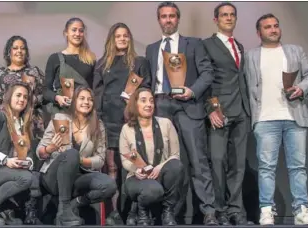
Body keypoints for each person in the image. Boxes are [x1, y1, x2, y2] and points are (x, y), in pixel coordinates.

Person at [145, 2, 217, 224]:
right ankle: (167, 213)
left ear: (178, 19)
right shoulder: (151, 49)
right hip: (160, 106)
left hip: (188, 106)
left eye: (172, 16)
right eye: (164, 16)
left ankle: (208, 212)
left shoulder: (194, 44)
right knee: (163, 163)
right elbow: (148, 79)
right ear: (159, 20)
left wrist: (192, 91)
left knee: (198, 161)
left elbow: (207, 73)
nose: (168, 20)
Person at [245, 13, 308, 226]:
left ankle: (301, 210)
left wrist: (301, 89)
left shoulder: (295, 51)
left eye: (276, 26)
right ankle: (267, 210)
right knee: (267, 167)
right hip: (265, 119)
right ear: (259, 32)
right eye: (267, 27)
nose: (273, 29)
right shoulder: (251, 55)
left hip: (294, 117)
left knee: (298, 167)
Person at [93, 22, 152, 225]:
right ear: (112, 38)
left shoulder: (139, 62)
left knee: (134, 168)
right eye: (118, 35)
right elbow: (97, 94)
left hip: (132, 122)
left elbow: (146, 90)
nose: (122, 39)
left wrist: (135, 101)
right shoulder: (101, 64)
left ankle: (134, 212)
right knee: (112, 169)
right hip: (108, 122)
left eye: (126, 35)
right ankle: (114, 213)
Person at [37, 86, 117, 226]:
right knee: (71, 154)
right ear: (74, 101)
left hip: (77, 177)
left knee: (109, 185)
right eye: (82, 98)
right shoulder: (59, 118)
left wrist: (78, 161)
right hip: (54, 178)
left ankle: (72, 205)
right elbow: (40, 152)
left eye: (90, 99)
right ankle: (64, 211)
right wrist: (50, 148)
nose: (86, 102)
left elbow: (100, 160)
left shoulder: (98, 125)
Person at [200, 2, 250, 225]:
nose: (229, 18)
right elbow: (205, 77)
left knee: (238, 164)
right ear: (216, 20)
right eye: (224, 15)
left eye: (232, 15)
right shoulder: (207, 45)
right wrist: (211, 108)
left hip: (241, 110)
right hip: (219, 111)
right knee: (218, 162)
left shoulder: (238, 45)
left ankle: (235, 210)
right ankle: (219, 210)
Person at [0, 82, 41, 226]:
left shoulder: (24, 123)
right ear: (9, 97)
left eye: (25, 97)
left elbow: (30, 151)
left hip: (13, 170)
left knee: (36, 176)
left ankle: (20, 212)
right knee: (26, 178)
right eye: (18, 95)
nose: (22, 99)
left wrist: (29, 162)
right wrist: (6, 160)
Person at [119, 87, 183, 226]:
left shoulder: (166, 123)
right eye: (143, 101)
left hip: (159, 174)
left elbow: (175, 155)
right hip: (136, 178)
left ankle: (168, 212)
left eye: (151, 101)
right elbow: (125, 160)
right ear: (135, 104)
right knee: (153, 190)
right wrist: (136, 170)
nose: (149, 104)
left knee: (176, 167)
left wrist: (160, 167)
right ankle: (142, 212)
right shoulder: (127, 129)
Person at [0, 35, 46, 141]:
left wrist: (29, 100)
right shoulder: (0, 73)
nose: (19, 51)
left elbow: (44, 94)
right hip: (5, 121)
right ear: (9, 51)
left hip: (31, 122)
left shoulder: (35, 72)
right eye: (15, 48)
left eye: (23, 48)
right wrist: (9, 98)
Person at [44, 17, 96, 122]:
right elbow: (45, 90)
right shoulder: (55, 58)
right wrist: (57, 98)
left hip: (84, 115)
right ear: (66, 33)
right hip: (61, 113)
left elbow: (93, 90)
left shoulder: (91, 59)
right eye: (74, 30)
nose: (77, 33)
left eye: (81, 31)